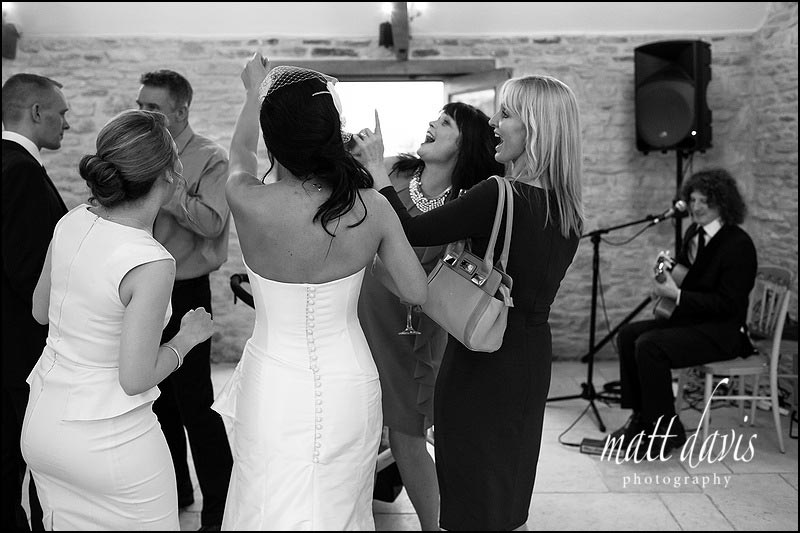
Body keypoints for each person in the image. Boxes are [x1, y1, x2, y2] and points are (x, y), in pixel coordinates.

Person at [354, 75, 584, 531]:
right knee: (505, 484)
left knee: (466, 488)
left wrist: (378, 170)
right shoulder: (568, 209)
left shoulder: (499, 193)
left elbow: (409, 232)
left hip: (480, 356)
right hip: (530, 357)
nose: (495, 123)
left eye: (506, 114)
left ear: (534, 128)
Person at [211, 52, 427, 530]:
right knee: (340, 503)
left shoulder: (245, 196)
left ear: (274, 140)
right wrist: (367, 259)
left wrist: (252, 93)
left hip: (273, 382)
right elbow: (416, 290)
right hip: (349, 378)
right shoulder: (369, 206)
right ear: (332, 133)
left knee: (264, 499)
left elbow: (239, 153)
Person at [20, 110, 215, 530]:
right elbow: (135, 377)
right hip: (110, 444)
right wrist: (186, 340)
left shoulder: (71, 220)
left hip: (42, 426)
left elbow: (39, 312)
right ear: (168, 174)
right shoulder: (150, 260)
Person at [357, 102, 503, 530]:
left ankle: (434, 524)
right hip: (363, 317)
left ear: (465, 143)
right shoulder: (398, 175)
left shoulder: (465, 204)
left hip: (415, 332)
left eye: (445, 123)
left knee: (406, 433)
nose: (432, 125)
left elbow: (419, 271)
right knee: (363, 421)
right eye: (434, 120)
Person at [136, 69, 233, 529]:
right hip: (141, 286)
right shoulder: (139, 152)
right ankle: (176, 492)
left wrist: (170, 190)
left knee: (196, 401)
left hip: (185, 287)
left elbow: (213, 223)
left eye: (153, 107)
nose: (144, 114)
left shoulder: (210, 158)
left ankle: (220, 504)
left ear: (181, 111)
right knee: (157, 401)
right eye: (141, 106)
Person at [608, 168, 758, 458]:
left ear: (723, 203)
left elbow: (728, 304)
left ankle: (665, 431)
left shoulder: (738, 245)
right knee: (628, 335)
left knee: (650, 346)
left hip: (723, 332)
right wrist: (667, 278)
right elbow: (692, 279)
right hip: (691, 321)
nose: (696, 207)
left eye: (705, 201)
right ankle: (642, 419)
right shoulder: (694, 232)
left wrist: (677, 295)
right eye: (693, 199)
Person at [2, 73, 70, 531]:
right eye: (61, 113)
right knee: (20, 455)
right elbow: (27, 267)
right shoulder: (21, 171)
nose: (67, 122)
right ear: (37, 112)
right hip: (19, 343)